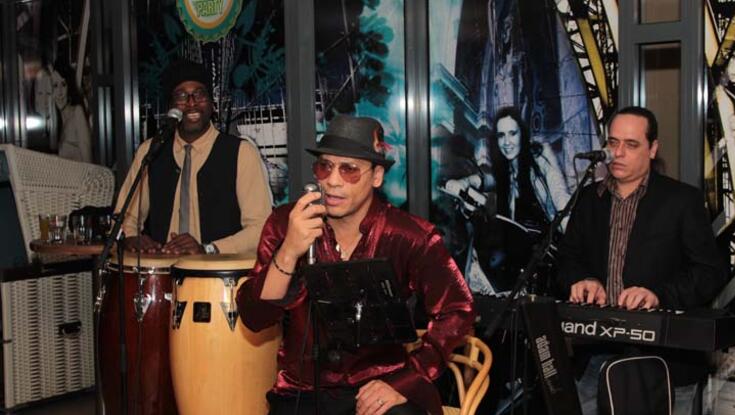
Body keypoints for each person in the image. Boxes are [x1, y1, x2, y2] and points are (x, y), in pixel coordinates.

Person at [236, 115, 474, 415]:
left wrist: (407, 378)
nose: (332, 181)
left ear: (376, 176)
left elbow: (458, 310)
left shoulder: (409, 235)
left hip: (379, 388)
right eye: (324, 166)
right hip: (303, 392)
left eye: (348, 169)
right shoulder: (287, 223)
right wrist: (289, 252)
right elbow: (254, 317)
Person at [557, 106, 727, 415]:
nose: (618, 153)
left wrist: (658, 295)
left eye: (631, 144)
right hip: (596, 357)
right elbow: (567, 258)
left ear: (653, 149)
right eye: (613, 142)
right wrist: (582, 279)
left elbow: (709, 272)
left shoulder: (681, 200)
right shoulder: (588, 199)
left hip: (667, 365)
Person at [114, 59, 272, 255]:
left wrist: (208, 249)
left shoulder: (241, 152)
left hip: (220, 272)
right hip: (162, 270)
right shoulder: (151, 151)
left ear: (212, 104)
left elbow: (261, 228)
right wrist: (131, 238)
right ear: (171, 107)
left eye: (199, 94)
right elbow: (124, 217)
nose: (191, 103)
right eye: (181, 96)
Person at [444, 107, 569, 294]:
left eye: (513, 133)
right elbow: (484, 179)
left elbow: (560, 196)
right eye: (501, 135)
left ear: (522, 134)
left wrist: (572, 237)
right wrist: (463, 182)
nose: (507, 142)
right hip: (519, 256)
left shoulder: (540, 156)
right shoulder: (505, 170)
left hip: (547, 254)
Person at [52, 61, 92, 163]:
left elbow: (88, 163)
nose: (60, 92)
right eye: (55, 86)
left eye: (63, 84)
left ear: (69, 87)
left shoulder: (77, 113)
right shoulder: (58, 121)